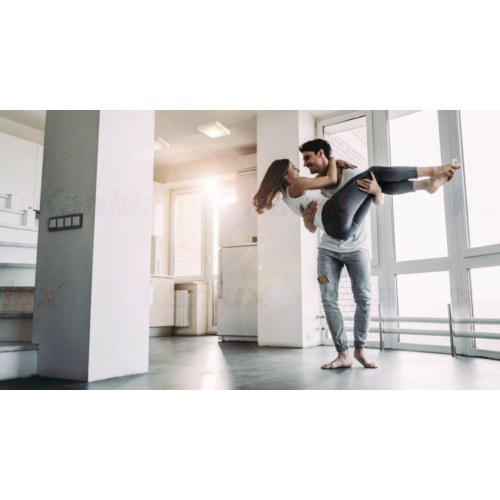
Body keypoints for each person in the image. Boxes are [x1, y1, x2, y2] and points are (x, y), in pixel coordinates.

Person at [252, 138, 461, 369]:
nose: (302, 167)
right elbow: (313, 222)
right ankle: (343, 354)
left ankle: (359, 351)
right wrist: (309, 218)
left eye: (307, 159)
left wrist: (377, 191)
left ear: (320, 153)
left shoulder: (345, 177)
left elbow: (377, 199)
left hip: (350, 236)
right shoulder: (309, 184)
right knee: (329, 300)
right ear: (285, 175)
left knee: (363, 298)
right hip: (330, 244)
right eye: (296, 165)